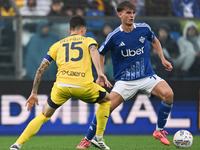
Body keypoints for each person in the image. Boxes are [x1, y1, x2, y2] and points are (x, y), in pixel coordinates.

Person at [77, 1, 174, 149]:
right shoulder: (113, 36)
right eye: (128, 13)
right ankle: (87, 140)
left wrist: (162, 59)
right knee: (105, 108)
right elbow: (100, 53)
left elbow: (155, 40)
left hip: (146, 76)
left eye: (133, 13)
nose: (132, 16)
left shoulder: (144, 28)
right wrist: (100, 73)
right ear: (120, 14)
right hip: (125, 81)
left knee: (169, 94)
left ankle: (159, 131)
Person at [10, 15, 112, 150]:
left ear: (69, 30)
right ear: (83, 30)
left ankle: (17, 144)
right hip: (83, 85)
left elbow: (41, 68)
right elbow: (94, 50)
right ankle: (98, 138)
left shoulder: (57, 45)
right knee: (107, 99)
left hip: (62, 87)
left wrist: (34, 92)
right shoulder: (88, 40)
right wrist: (100, 72)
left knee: (44, 115)